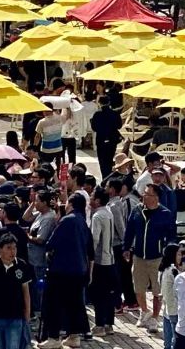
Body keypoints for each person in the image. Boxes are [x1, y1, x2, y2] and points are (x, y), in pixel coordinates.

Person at [40, 193, 92, 349]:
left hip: (61, 269)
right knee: (74, 303)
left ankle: (53, 337)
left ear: (71, 204)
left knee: (53, 303)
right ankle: (74, 335)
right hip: (79, 269)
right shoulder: (82, 221)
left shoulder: (67, 220)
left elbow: (51, 243)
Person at [124, 183, 177, 333]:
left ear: (156, 197)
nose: (144, 197)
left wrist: (168, 251)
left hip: (157, 258)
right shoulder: (137, 210)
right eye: (144, 194)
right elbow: (129, 231)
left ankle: (154, 317)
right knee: (138, 288)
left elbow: (172, 236)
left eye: (148, 194)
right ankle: (144, 311)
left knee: (157, 291)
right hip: (139, 256)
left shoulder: (165, 214)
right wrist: (126, 248)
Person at [89, 187, 117, 336]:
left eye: (92, 196)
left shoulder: (97, 216)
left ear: (98, 200)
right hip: (110, 259)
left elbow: (94, 239)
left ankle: (99, 325)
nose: (90, 199)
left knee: (99, 294)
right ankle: (109, 324)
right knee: (108, 294)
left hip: (100, 261)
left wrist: (89, 258)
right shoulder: (109, 212)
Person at [90, 96, 122, 177]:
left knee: (102, 161)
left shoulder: (97, 114)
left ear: (100, 103)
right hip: (112, 139)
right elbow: (119, 126)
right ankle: (109, 175)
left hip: (101, 139)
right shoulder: (115, 113)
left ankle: (105, 176)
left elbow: (94, 128)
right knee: (110, 159)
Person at [158, 244, 180, 349]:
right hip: (174, 311)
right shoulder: (172, 271)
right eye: (179, 254)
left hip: (167, 310)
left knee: (168, 341)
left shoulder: (164, 269)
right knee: (175, 341)